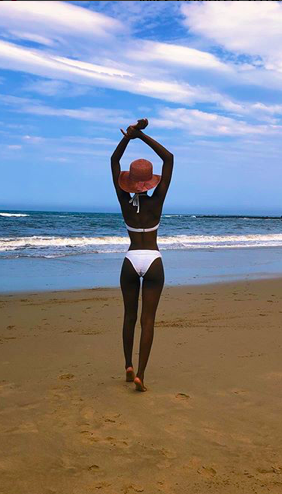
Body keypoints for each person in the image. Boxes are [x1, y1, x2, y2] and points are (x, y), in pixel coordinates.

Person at [111, 119, 174, 392]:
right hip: (153, 261)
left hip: (131, 259)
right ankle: (141, 375)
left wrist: (128, 137)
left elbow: (114, 160)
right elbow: (168, 158)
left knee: (129, 316)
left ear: (129, 181)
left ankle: (128, 365)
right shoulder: (157, 200)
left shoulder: (123, 200)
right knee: (148, 321)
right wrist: (142, 136)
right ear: (149, 182)